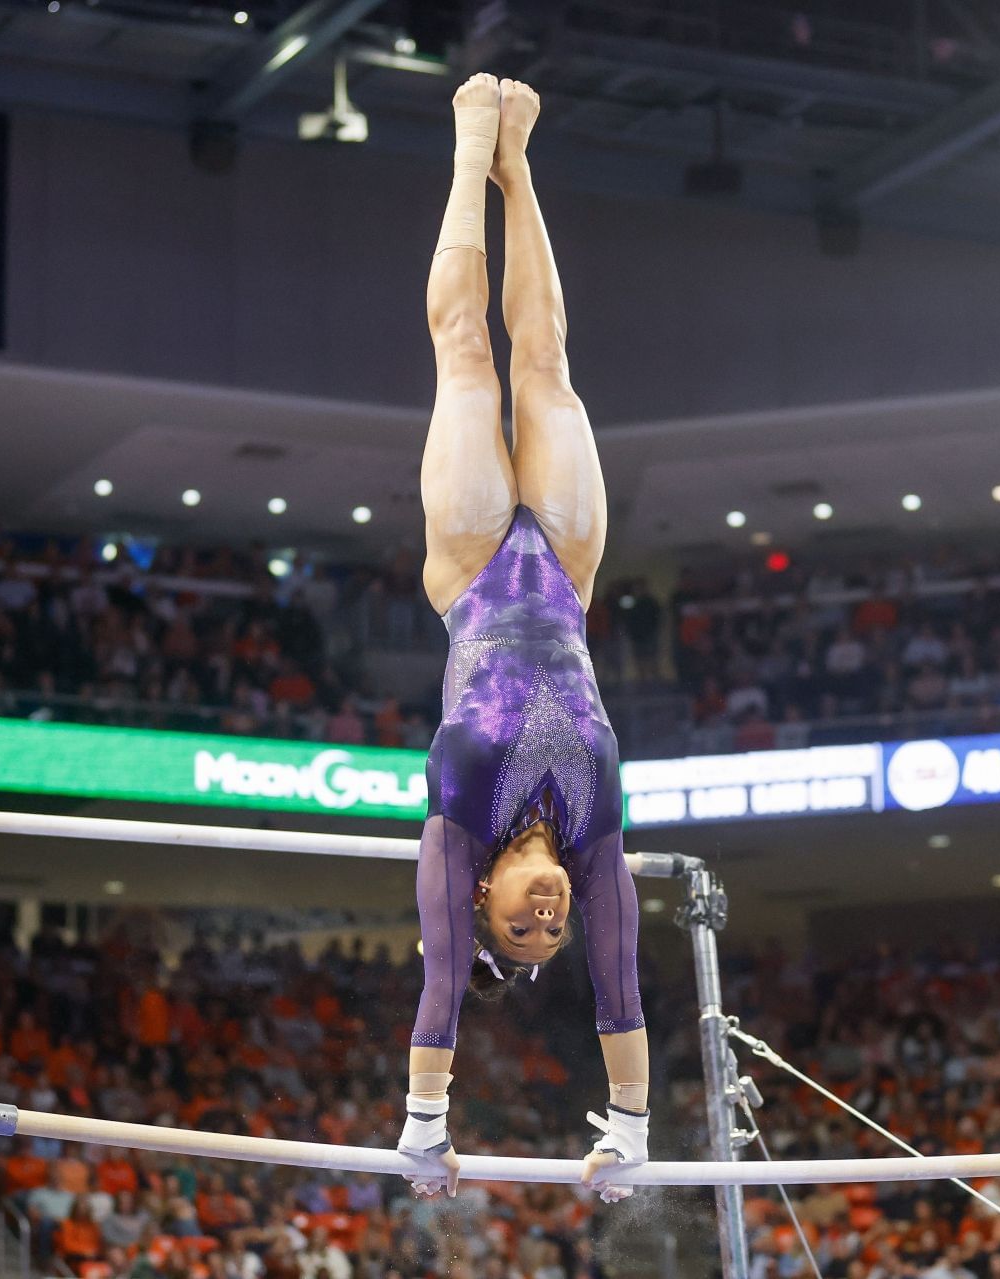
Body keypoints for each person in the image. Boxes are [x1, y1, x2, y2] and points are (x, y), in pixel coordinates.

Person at [397, 75, 647, 1207]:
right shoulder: (595, 842)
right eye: (555, 930)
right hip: (571, 572)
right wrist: (632, 1132)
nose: (548, 922)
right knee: (545, 360)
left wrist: (424, 1125)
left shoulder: (459, 829)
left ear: (489, 895)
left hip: (471, 573)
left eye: (525, 926)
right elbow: (622, 989)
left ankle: (466, 150)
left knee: (465, 354)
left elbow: (443, 981)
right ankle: (521, 162)